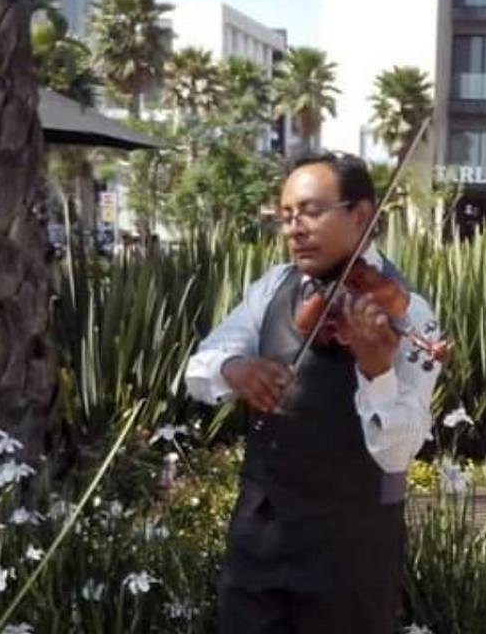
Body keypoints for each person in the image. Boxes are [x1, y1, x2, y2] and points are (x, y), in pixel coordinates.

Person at [185, 152, 442, 634]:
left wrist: (378, 371)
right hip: (260, 534)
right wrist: (235, 368)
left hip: (353, 548)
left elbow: (400, 451)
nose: (294, 228)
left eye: (310, 211)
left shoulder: (409, 314)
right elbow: (201, 367)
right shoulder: (271, 288)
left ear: (361, 215)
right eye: (286, 216)